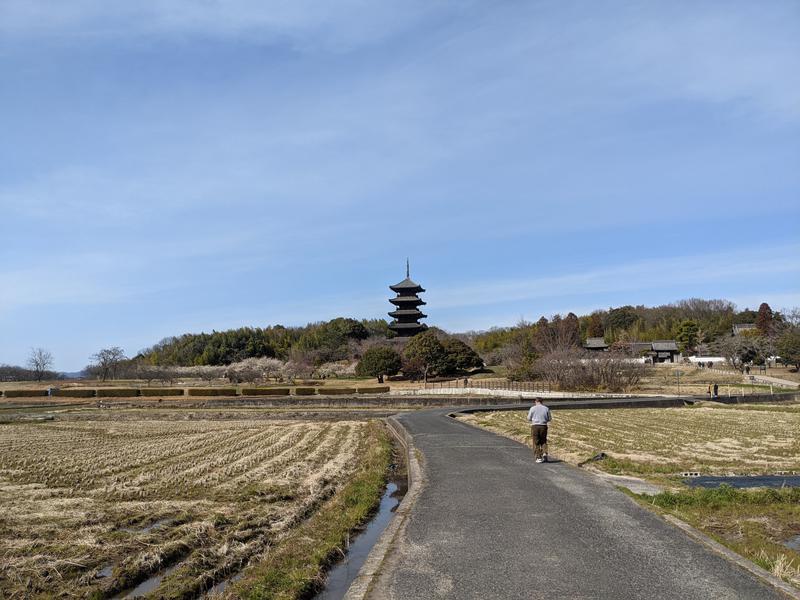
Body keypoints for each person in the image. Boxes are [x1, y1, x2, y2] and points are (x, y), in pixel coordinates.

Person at [526, 398, 551, 463]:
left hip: (535, 426)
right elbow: (549, 418)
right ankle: (545, 453)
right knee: (543, 440)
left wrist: (534, 419)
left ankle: (538, 457)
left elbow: (528, 418)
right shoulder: (546, 408)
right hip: (543, 426)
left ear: (536, 401)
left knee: (536, 441)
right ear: (542, 402)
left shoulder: (532, 408)